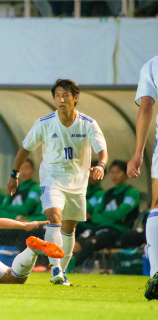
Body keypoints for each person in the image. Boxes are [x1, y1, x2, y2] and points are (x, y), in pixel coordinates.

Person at [7, 79, 108, 286]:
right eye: (57, 96)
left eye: (66, 95)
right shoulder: (44, 123)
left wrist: (101, 166)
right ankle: (55, 269)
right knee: (54, 217)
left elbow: (102, 151)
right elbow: (25, 149)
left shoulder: (88, 123)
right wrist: (14, 174)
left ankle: (62, 270)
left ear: (75, 98)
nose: (61, 100)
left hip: (78, 184)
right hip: (51, 179)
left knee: (69, 229)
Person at [127, 54, 158, 300]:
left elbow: (146, 107)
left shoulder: (152, 65)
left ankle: (157, 273)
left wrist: (138, 153)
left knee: (157, 206)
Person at [73, 160, 140, 271]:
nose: (114, 176)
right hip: (99, 228)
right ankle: (63, 266)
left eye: (118, 172)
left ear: (126, 174)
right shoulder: (107, 194)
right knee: (76, 243)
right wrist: (108, 217)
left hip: (117, 230)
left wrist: (103, 216)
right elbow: (95, 216)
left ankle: (69, 268)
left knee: (90, 243)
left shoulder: (132, 193)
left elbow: (120, 214)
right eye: (112, 172)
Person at [75, 160, 106, 236]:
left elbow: (82, 208)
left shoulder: (100, 193)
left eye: (95, 172)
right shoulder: (80, 190)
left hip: (86, 226)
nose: (91, 175)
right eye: (90, 172)